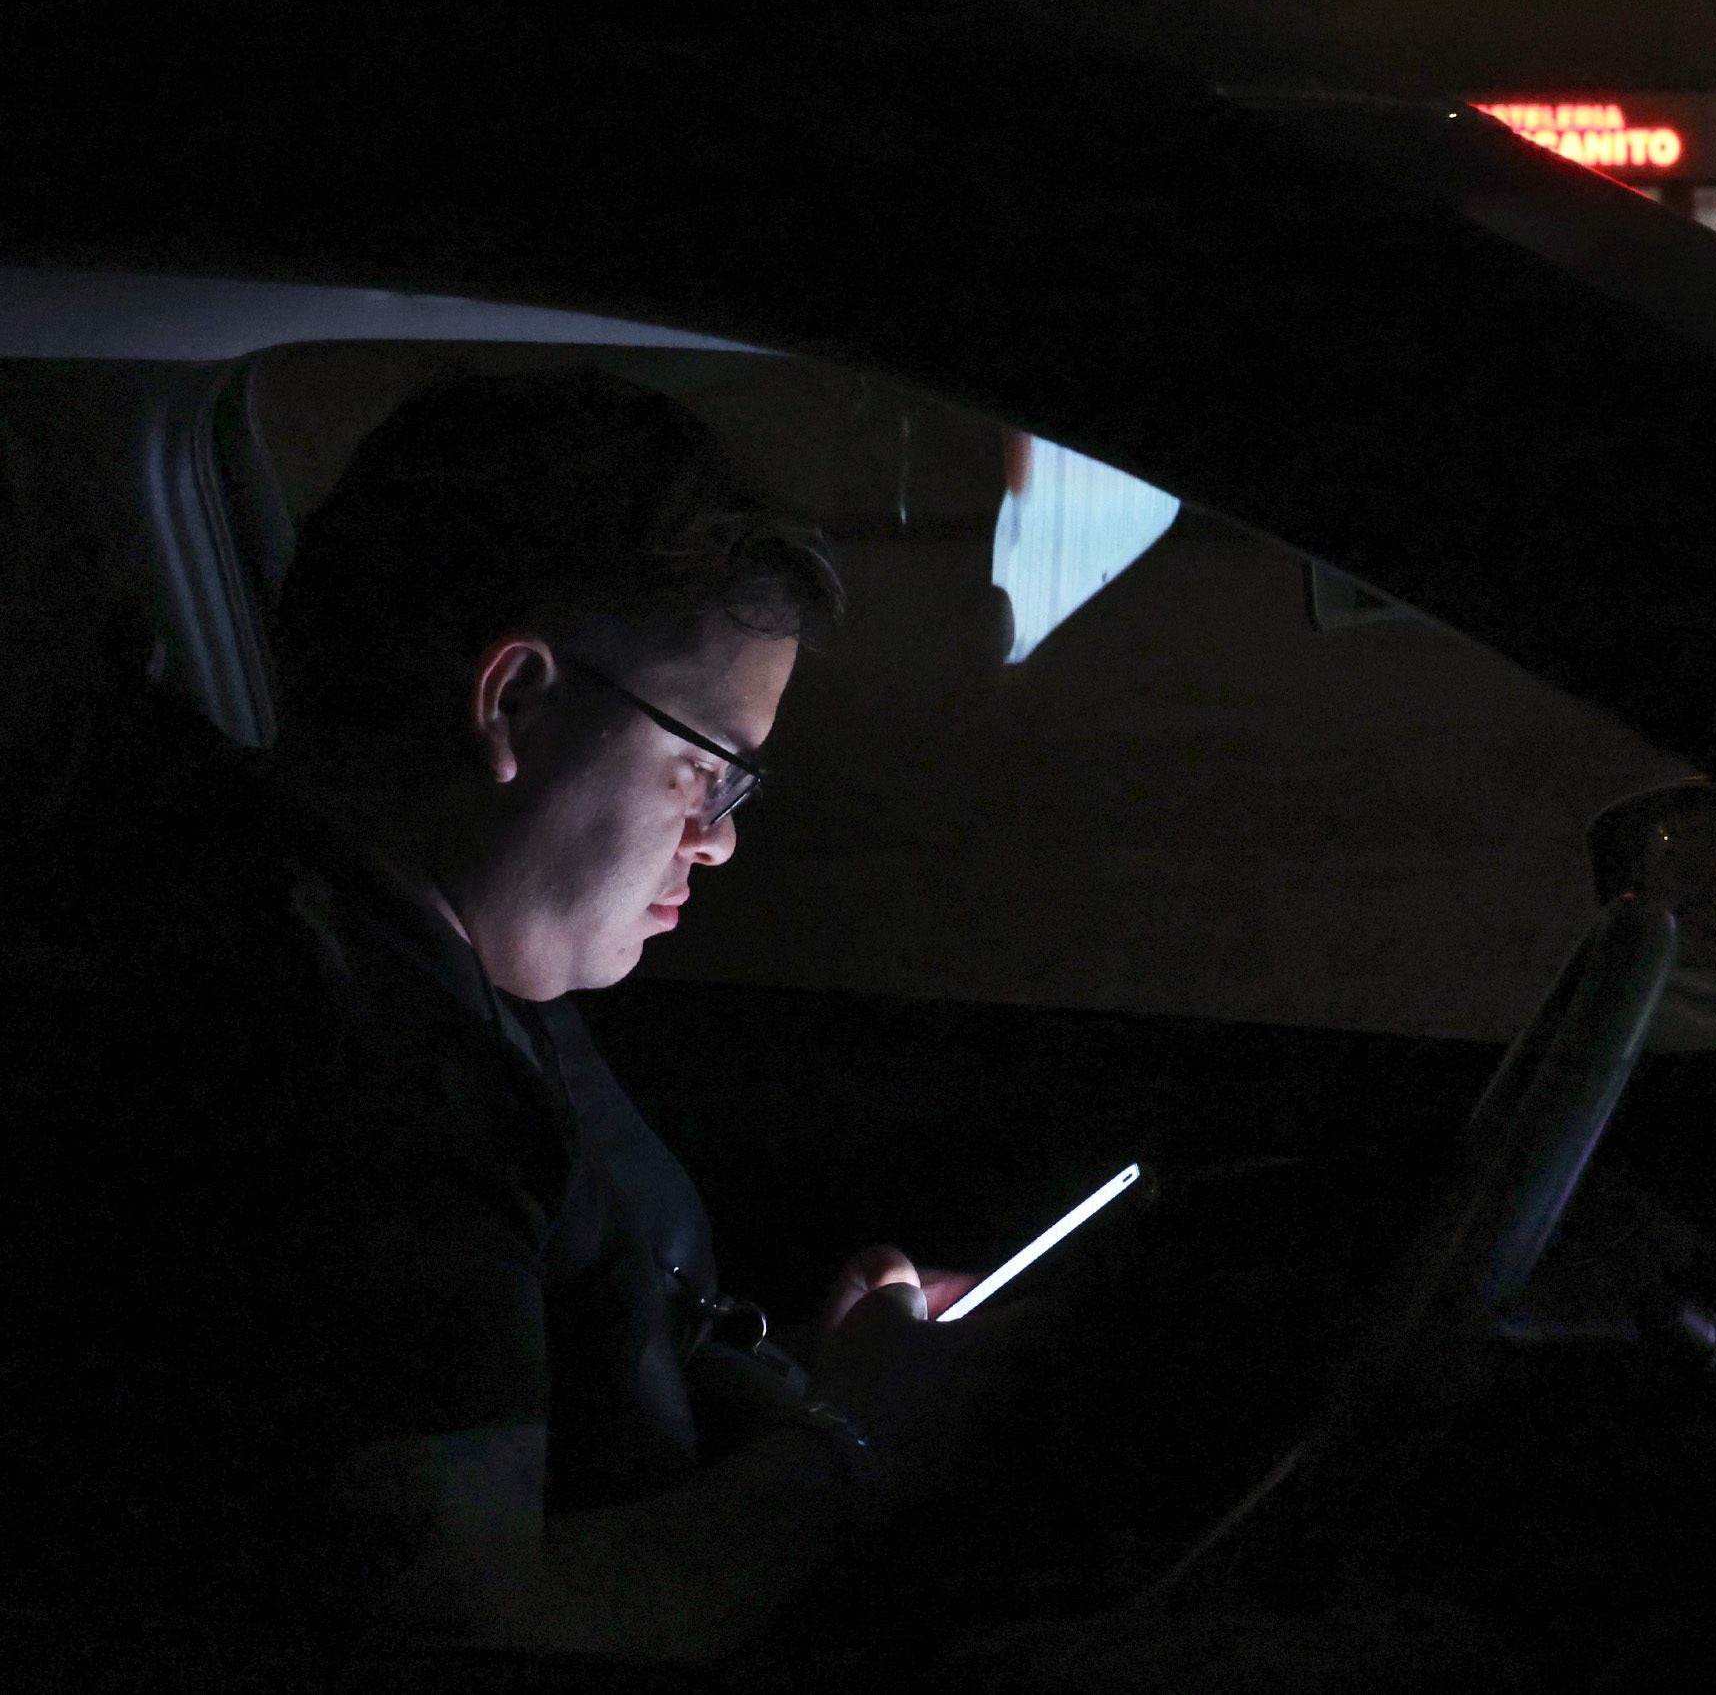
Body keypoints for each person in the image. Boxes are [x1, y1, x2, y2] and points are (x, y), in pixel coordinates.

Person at [4, 369, 1001, 1662]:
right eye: (709, 770)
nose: (718, 843)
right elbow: (468, 1630)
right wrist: (859, 1444)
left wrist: (811, 1375)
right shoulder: (349, 1078)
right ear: (513, 701)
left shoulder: (390, 947)